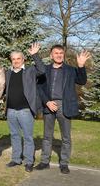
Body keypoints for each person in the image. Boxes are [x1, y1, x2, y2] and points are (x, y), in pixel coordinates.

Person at [35, 45, 90, 174]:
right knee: (47, 136)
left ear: (63, 55)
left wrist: (81, 66)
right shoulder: (45, 70)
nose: (59, 55)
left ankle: (64, 163)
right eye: (56, 53)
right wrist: (47, 102)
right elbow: (39, 88)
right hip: (49, 104)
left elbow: (82, 81)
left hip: (64, 105)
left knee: (66, 137)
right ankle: (44, 161)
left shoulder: (70, 70)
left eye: (61, 53)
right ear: (51, 55)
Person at [5, 43, 45, 172]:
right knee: (15, 135)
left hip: (25, 111)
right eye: (14, 59)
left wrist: (35, 55)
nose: (16, 61)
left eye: (18, 58)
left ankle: (29, 161)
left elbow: (42, 70)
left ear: (23, 59)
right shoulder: (8, 73)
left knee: (28, 137)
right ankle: (16, 159)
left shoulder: (30, 71)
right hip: (11, 110)